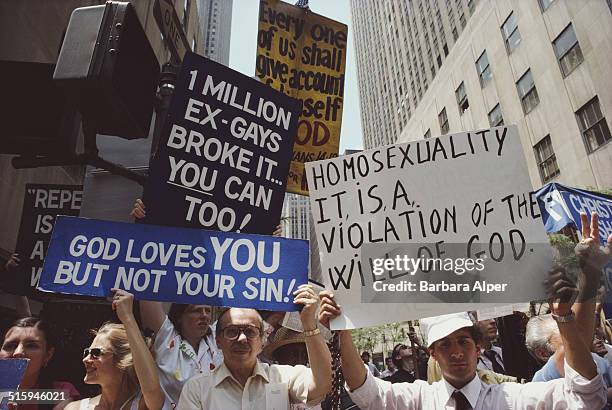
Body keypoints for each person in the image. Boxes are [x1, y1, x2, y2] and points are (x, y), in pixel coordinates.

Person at [317, 213, 611, 409]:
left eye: (463, 341)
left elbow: (587, 394)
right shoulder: (420, 399)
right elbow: (365, 391)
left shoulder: (510, 398)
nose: (456, 351)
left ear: (478, 348)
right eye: (445, 344)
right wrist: (342, 331)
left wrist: (586, 282)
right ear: (432, 352)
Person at [177, 284, 332, 409]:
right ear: (218, 341)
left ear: (262, 340)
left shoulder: (283, 377)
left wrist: (308, 323)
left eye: (250, 332)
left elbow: (321, 385)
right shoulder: (197, 389)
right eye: (232, 331)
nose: (242, 339)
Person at [66, 289, 166, 410]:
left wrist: (127, 317)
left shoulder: (143, 405)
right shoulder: (74, 408)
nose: (86, 359)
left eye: (96, 353)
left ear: (123, 360)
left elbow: (152, 389)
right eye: (87, 352)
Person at [0, 317, 80, 409]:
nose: (18, 352)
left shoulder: (60, 393)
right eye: (10, 346)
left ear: (48, 355)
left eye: (31, 346)